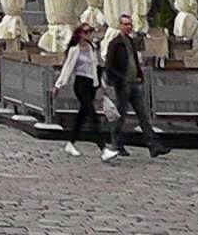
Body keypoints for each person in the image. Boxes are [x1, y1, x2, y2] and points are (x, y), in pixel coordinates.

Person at [101, 13, 169, 161]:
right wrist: (119, 79)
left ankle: (153, 145)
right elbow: (109, 66)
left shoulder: (131, 42)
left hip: (133, 83)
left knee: (142, 115)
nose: (128, 27)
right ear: (120, 26)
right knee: (120, 116)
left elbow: (134, 61)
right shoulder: (115, 43)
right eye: (125, 24)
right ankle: (115, 144)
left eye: (130, 24)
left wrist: (139, 74)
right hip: (123, 84)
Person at [52, 23, 103, 156]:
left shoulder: (93, 48)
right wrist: (58, 85)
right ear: (80, 34)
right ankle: (103, 147)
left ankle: (71, 143)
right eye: (86, 32)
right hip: (80, 84)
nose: (89, 34)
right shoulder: (75, 50)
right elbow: (67, 68)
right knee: (92, 115)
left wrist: (99, 84)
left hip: (91, 84)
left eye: (90, 31)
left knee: (82, 115)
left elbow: (95, 67)